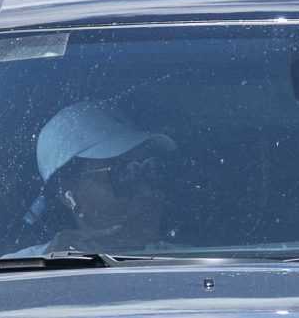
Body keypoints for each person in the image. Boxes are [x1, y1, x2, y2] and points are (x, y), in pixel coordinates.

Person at [13, 102, 178, 253]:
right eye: (123, 174)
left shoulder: (193, 262)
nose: (149, 192)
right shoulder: (13, 274)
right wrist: (51, 275)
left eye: (150, 170)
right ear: (67, 193)